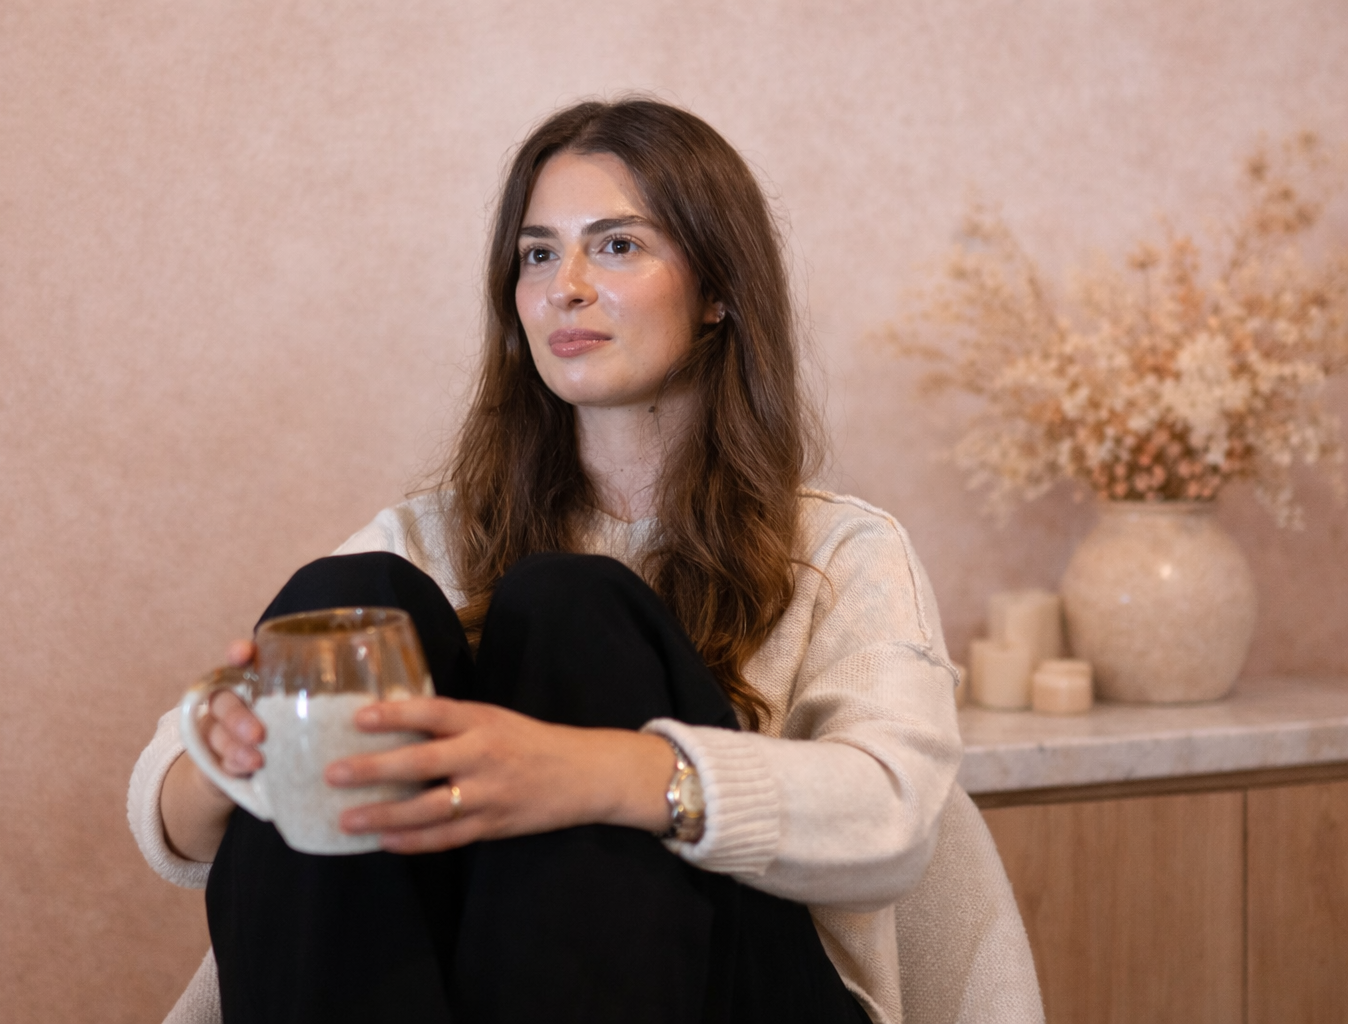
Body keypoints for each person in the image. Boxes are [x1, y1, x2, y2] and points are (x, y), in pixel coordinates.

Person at [128, 98, 963, 1024]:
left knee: (572, 609)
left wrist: (598, 773)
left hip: (748, 995)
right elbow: (166, 819)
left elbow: (895, 820)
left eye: (616, 246)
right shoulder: (427, 540)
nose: (563, 286)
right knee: (346, 602)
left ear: (719, 290)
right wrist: (233, 753)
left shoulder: (841, 552)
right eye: (537, 254)